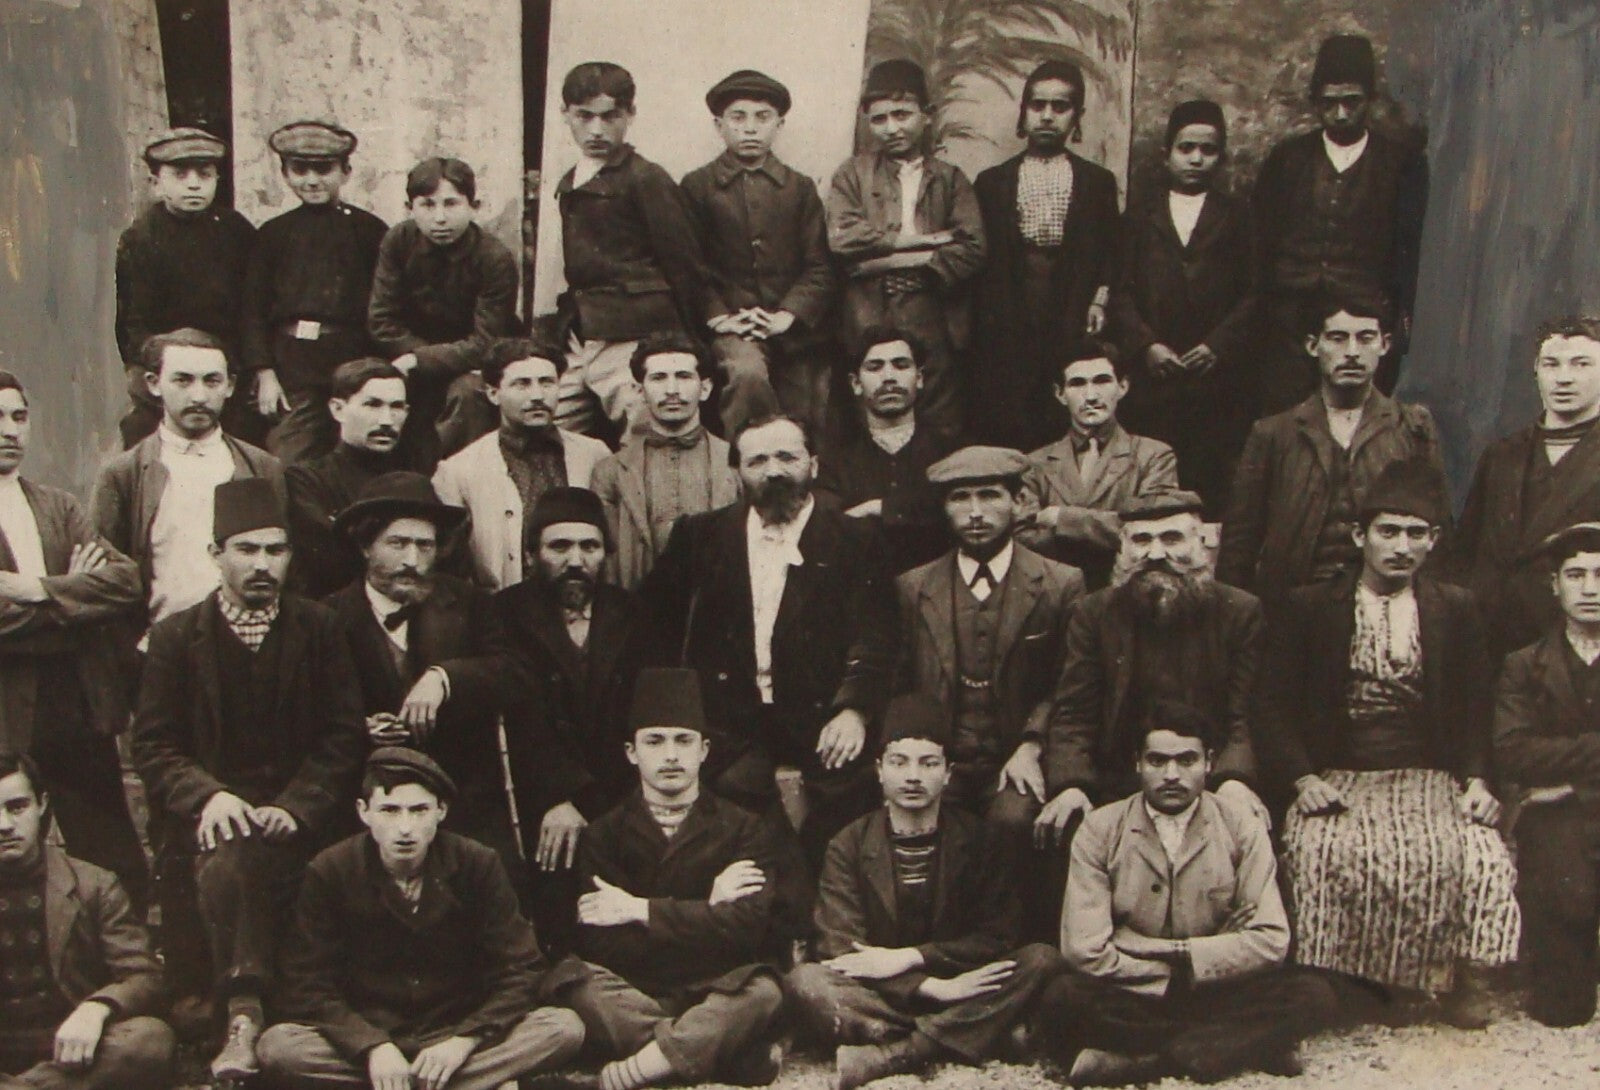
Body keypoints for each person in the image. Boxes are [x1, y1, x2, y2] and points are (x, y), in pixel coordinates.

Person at [1259, 458, 1518, 1028]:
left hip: (1428, 770)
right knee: (1322, 850)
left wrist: (1476, 780)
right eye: (1388, 531)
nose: (1401, 546)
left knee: (1476, 853)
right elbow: (1272, 705)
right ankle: (1351, 981)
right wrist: (1302, 777)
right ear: (1360, 536)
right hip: (1338, 771)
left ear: (1434, 541)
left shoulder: (1455, 607)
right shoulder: (1309, 607)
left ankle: (1460, 977)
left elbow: (1478, 706)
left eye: (1416, 533)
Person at [129, 478, 366, 1082]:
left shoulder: (319, 629)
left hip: (300, 822)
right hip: (213, 825)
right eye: (246, 550)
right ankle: (244, 1015)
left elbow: (344, 736)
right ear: (215, 554)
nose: (262, 565)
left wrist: (298, 805)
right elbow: (154, 744)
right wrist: (208, 796)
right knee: (233, 858)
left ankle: (293, 1011)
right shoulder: (177, 637)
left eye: (275, 551)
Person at [641, 414, 897, 866]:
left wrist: (854, 709)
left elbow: (876, 634)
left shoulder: (856, 539)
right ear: (736, 471)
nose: (774, 471)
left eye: (787, 457)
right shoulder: (700, 537)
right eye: (757, 460)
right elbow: (657, 632)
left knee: (844, 804)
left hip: (823, 717)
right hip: (730, 722)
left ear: (813, 465)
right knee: (736, 813)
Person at [1036, 702, 1338, 1085]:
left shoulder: (1241, 824)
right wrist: (1207, 955)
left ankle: (1150, 1063)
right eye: (1158, 761)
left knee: (1314, 994)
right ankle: (1240, 1046)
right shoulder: (1100, 829)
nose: (1172, 775)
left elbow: (1271, 941)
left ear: (1210, 763)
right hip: (1138, 991)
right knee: (1062, 996)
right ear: (1137, 764)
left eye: (1187, 760)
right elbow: (1083, 949)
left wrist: (1164, 950)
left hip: (1218, 987)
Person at [258, 748, 585, 1090]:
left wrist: (465, 1040)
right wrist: (372, 1047)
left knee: (563, 1028)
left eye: (419, 811)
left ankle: (412, 1083)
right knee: (279, 1048)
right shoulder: (331, 870)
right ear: (363, 812)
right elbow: (308, 983)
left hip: (456, 1034)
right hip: (370, 1038)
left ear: (440, 812)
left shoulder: (477, 864)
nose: (405, 828)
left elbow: (522, 969)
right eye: (389, 810)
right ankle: (460, 1084)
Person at [785, 693, 1063, 1090]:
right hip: (889, 993)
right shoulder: (848, 843)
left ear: (948, 773)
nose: (913, 776)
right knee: (806, 983)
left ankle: (900, 1051)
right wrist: (931, 988)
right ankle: (980, 1032)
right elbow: (838, 946)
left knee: (1041, 959)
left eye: (928, 763)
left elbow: (999, 934)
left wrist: (911, 958)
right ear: (880, 770)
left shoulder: (981, 840)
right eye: (899, 762)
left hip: (963, 980)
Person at [541, 668, 785, 1090]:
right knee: (576, 983)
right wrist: (709, 911)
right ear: (631, 753)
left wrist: (638, 910)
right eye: (654, 741)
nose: (670, 755)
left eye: (683, 740)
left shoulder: (744, 828)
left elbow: (746, 931)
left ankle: (642, 1065)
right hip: (636, 991)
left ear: (704, 750)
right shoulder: (604, 834)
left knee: (764, 991)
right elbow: (600, 942)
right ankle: (713, 1051)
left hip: (715, 987)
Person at [894, 445, 1084, 939]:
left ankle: (1020, 947)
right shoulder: (914, 586)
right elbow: (903, 683)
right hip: (944, 757)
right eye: (960, 498)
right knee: (932, 826)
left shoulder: (1060, 583)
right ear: (944, 508)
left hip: (1016, 754)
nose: (975, 512)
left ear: (1019, 501)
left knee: (1014, 823)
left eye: (990, 496)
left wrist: (1032, 744)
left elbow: (1071, 679)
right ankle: (944, 948)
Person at [1034, 491, 1268, 846]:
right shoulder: (1094, 613)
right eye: (1142, 540)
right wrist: (1071, 784)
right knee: (1065, 824)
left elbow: (1243, 715)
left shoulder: (1239, 611)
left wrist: (1234, 779)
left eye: (1172, 538)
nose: (1156, 553)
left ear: (1200, 543)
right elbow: (1074, 713)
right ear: (1124, 549)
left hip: (1207, 778)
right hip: (1119, 781)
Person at [0, 372, 148, 908]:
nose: (9, 430)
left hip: (76, 700)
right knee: (12, 845)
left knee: (107, 842)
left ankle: (131, 963)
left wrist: (38, 589)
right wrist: (74, 601)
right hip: (7, 705)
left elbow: (125, 582)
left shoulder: (58, 506)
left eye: (18, 417)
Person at [324, 473, 518, 881]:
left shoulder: (469, 603)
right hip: (367, 802)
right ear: (364, 546)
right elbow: (310, 708)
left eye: (424, 545)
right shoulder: (326, 617)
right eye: (397, 544)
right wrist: (361, 729)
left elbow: (511, 674)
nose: (412, 560)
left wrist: (445, 678)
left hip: (462, 798)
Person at [488, 488, 650, 951]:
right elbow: (521, 716)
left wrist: (587, 802)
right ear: (532, 553)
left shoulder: (634, 615)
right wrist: (560, 796)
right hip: (539, 800)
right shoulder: (503, 614)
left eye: (589, 547)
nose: (575, 560)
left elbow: (638, 718)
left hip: (617, 793)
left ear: (606, 553)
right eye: (559, 547)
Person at [1218, 296, 1446, 606]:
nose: (1352, 352)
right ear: (1313, 346)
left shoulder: (1412, 427)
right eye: (1338, 339)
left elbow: (1437, 529)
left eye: (1365, 338)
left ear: (1384, 344)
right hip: (1293, 608)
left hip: (1386, 603)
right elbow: (1239, 546)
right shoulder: (1274, 434)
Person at [1253, 34, 1429, 411]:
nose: (1341, 114)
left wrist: (1396, 323)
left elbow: (1407, 250)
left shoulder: (1400, 163)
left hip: (1362, 318)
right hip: (1288, 325)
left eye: (1352, 102)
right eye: (1329, 104)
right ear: (1316, 102)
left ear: (1370, 100)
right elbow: (1260, 244)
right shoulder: (1288, 159)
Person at [827, 59, 985, 442]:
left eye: (902, 114)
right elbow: (842, 238)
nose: (891, 128)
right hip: (867, 310)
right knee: (866, 408)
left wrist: (885, 264)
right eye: (879, 119)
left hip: (930, 308)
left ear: (926, 116)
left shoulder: (950, 180)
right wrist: (921, 243)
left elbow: (973, 247)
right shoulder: (852, 175)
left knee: (936, 407)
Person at [1113, 99, 1257, 518]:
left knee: (1210, 481)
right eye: (1185, 148)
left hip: (1215, 380)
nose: (1196, 159)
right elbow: (1120, 291)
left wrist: (1217, 346)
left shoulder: (1239, 217)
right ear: (1166, 154)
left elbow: (1255, 292)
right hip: (1153, 379)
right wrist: (1147, 346)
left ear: (1222, 156)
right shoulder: (1139, 218)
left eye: (1208, 150)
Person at [554, 62, 711, 439]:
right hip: (582, 333)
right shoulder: (573, 179)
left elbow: (685, 266)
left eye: (610, 117)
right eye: (584, 116)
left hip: (635, 334)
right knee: (552, 427)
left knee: (644, 426)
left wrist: (683, 344)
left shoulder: (646, 179)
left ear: (630, 115)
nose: (596, 129)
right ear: (566, 115)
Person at [0, 753, 175, 1090]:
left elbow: (144, 976)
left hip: (69, 1048)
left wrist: (97, 1008)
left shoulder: (93, 885)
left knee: (151, 1041)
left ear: (41, 805)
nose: (4, 825)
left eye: (16, 807)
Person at [91, 328, 284, 630]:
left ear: (230, 386)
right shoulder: (125, 473)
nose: (199, 396)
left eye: (212, 381)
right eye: (182, 380)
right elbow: (107, 577)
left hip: (245, 643)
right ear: (154, 384)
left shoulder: (262, 467)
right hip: (156, 646)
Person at [971, 61, 1120, 450]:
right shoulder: (992, 182)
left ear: (1077, 116)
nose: (1048, 117)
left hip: (1069, 298)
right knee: (1010, 401)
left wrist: (1099, 299)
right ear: (1024, 113)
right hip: (1010, 304)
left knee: (1062, 395)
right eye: (1038, 106)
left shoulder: (1097, 182)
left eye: (1061, 107)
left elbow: (1110, 250)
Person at [681, 69, 837, 435]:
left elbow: (820, 267)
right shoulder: (697, 187)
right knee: (747, 375)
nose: (750, 128)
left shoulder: (799, 188)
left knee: (813, 399)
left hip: (792, 328)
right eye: (738, 117)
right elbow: (688, 266)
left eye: (762, 117)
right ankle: (748, 466)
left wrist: (786, 314)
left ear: (779, 125)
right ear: (719, 125)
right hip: (730, 327)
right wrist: (721, 318)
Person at [1493, 521, 1600, 1027]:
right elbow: (1514, 752)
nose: (1591, 588)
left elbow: (1541, 753)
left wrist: (1571, 770)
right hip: (1555, 814)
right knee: (1565, 1008)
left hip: (1568, 792)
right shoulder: (1524, 664)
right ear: (1554, 585)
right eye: (1576, 575)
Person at [1448, 317, 1600, 660]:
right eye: (1551, 364)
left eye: (1581, 364)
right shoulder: (1502, 455)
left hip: (1573, 651)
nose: (1563, 377)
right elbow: (1464, 551)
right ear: (1535, 371)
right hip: (1486, 644)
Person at [242, 120, 388, 468]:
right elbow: (252, 309)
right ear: (285, 174)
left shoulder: (370, 231)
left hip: (352, 360)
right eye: (299, 170)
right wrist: (264, 374)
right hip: (293, 367)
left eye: (324, 170)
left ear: (346, 171)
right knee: (288, 459)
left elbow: (384, 306)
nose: (311, 180)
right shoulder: (273, 234)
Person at [368, 157, 520, 470]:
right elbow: (382, 321)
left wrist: (421, 361)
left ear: (473, 205)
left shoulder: (493, 257)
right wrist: (418, 360)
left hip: (471, 363)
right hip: (408, 353)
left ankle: (456, 479)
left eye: (451, 204)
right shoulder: (398, 241)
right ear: (409, 207)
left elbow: (486, 342)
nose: (440, 218)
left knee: (468, 395)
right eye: (427, 205)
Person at [115, 127, 256, 447]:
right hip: (166, 365)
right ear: (155, 182)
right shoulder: (141, 238)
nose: (194, 184)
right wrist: (168, 363)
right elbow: (133, 323)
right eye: (180, 175)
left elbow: (252, 307)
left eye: (204, 175)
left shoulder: (236, 231)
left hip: (229, 367)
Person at [433, 336, 610, 590]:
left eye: (547, 383)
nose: (537, 395)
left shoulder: (594, 454)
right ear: (494, 393)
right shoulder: (458, 471)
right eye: (522, 384)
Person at [1018, 341, 1178, 588]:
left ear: (1122, 387)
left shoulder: (1153, 455)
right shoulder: (1033, 464)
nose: (1091, 396)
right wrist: (1111, 527)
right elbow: (1021, 538)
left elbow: (1151, 530)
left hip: (1127, 591)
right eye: (1077, 383)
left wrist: (1061, 517)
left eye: (1102, 381)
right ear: (1059, 394)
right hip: (1054, 593)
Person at [590, 335, 740, 591]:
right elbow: (607, 564)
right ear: (639, 391)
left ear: (705, 389)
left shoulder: (734, 462)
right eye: (658, 378)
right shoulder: (610, 471)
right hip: (638, 612)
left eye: (683, 376)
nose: (672, 390)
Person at [815, 327, 955, 574]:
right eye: (875, 367)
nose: (889, 377)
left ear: (919, 378)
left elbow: (954, 516)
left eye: (901, 365)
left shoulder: (951, 453)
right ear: (856, 383)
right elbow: (828, 527)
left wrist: (881, 509)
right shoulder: (834, 461)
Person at [285, 358, 413, 598]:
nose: (386, 420)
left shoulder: (416, 480)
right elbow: (327, 563)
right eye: (372, 405)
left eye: (396, 407)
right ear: (337, 409)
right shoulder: (307, 480)